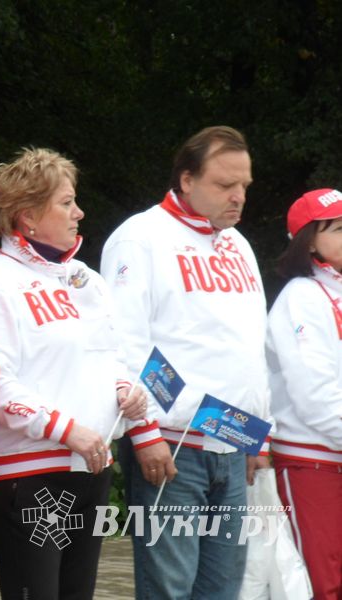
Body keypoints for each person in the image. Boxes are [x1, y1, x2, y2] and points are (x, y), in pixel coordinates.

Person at [0, 148, 148, 600]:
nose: (79, 212)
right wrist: (67, 430)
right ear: (28, 216)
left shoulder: (85, 278)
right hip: (30, 475)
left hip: (91, 468)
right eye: (66, 203)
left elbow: (112, 357)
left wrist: (125, 391)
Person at [100, 125, 272, 599]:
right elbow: (125, 343)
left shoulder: (238, 244)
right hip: (173, 446)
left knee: (223, 589)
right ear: (186, 179)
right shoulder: (140, 238)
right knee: (169, 589)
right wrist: (145, 431)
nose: (238, 197)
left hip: (233, 440)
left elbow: (251, 344)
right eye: (225, 184)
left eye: (244, 185)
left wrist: (258, 433)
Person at [266, 188, 342, 600]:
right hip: (311, 462)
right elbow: (315, 396)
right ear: (309, 241)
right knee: (321, 585)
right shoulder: (301, 297)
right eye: (340, 229)